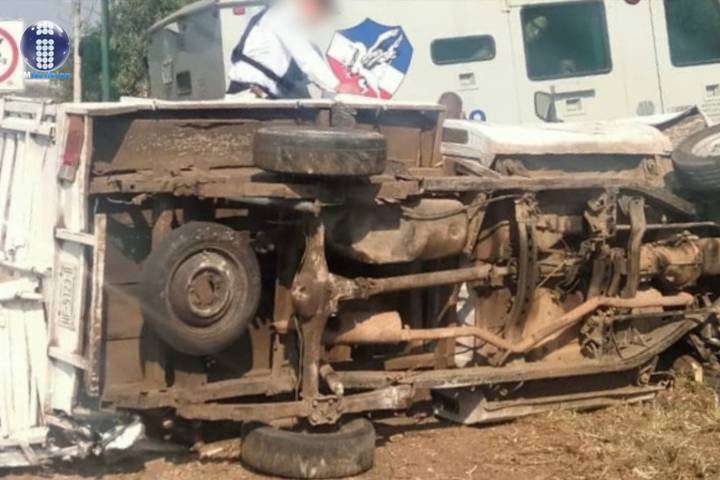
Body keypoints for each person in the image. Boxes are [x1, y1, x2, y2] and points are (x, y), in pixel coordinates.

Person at [227, 0, 359, 99]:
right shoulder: (283, 15)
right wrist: (336, 86)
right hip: (249, 95)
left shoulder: (280, 15)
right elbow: (305, 56)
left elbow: (309, 55)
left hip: (257, 94)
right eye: (321, 13)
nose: (319, 21)